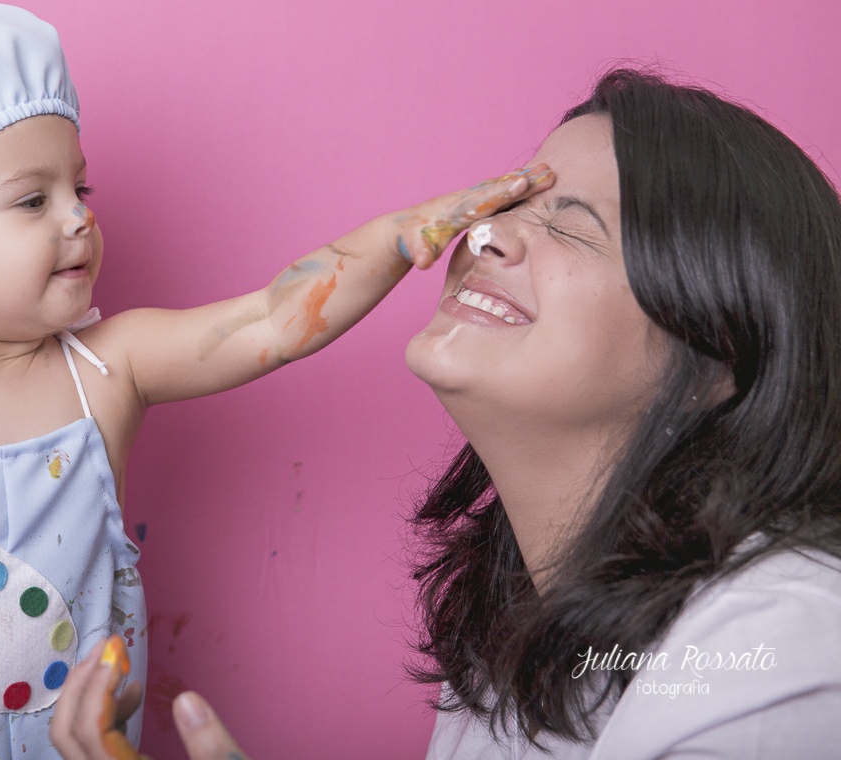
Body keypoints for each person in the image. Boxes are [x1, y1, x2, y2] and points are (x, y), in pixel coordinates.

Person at [0, 2, 551, 760]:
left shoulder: (111, 368)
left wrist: (402, 238)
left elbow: (271, 321)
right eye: (34, 200)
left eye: (80, 186)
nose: (79, 215)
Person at [49, 68, 841, 759]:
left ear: (718, 351)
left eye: (572, 222)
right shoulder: (510, 648)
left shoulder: (786, 645)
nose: (485, 233)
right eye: (510, 201)